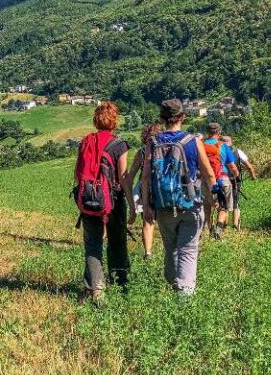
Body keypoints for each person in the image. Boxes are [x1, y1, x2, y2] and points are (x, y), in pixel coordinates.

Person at [142, 99, 216, 295]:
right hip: (190, 204)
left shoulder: (153, 142)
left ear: (162, 118)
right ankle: (184, 297)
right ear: (182, 116)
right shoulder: (193, 141)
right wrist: (214, 196)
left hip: (163, 205)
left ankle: (172, 285)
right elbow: (208, 173)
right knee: (188, 250)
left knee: (171, 249)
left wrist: (146, 205)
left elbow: (146, 176)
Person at [78, 101, 130, 301]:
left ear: (96, 120)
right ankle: (120, 283)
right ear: (114, 121)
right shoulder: (119, 144)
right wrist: (133, 206)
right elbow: (123, 177)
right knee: (117, 243)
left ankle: (95, 291)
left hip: (89, 200)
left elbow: (79, 173)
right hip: (113, 201)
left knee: (93, 245)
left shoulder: (85, 141)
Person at [125, 123, 163, 260]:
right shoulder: (168, 147)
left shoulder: (141, 152)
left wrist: (130, 195)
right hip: (164, 187)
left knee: (148, 220)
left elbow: (131, 176)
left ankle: (148, 253)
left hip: (146, 188)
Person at [203, 123, 240, 240]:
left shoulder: (201, 146)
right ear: (219, 133)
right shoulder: (223, 146)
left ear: (207, 132)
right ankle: (218, 231)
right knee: (223, 207)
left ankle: (208, 229)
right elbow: (232, 167)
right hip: (222, 179)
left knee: (207, 206)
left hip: (206, 181)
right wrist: (236, 176)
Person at [222, 136, 257, 231]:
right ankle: (235, 226)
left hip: (220, 179)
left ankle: (223, 226)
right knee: (235, 202)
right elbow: (249, 166)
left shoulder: (218, 150)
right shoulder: (238, 152)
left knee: (224, 203)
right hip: (234, 180)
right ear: (231, 142)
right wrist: (252, 175)